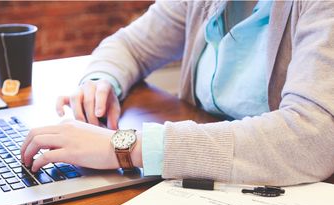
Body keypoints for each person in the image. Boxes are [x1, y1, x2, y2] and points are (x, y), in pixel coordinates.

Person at [21, 0, 334, 186]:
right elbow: (131, 45)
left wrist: (126, 147)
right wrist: (101, 81)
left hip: (291, 196)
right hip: (211, 186)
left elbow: (314, 136)